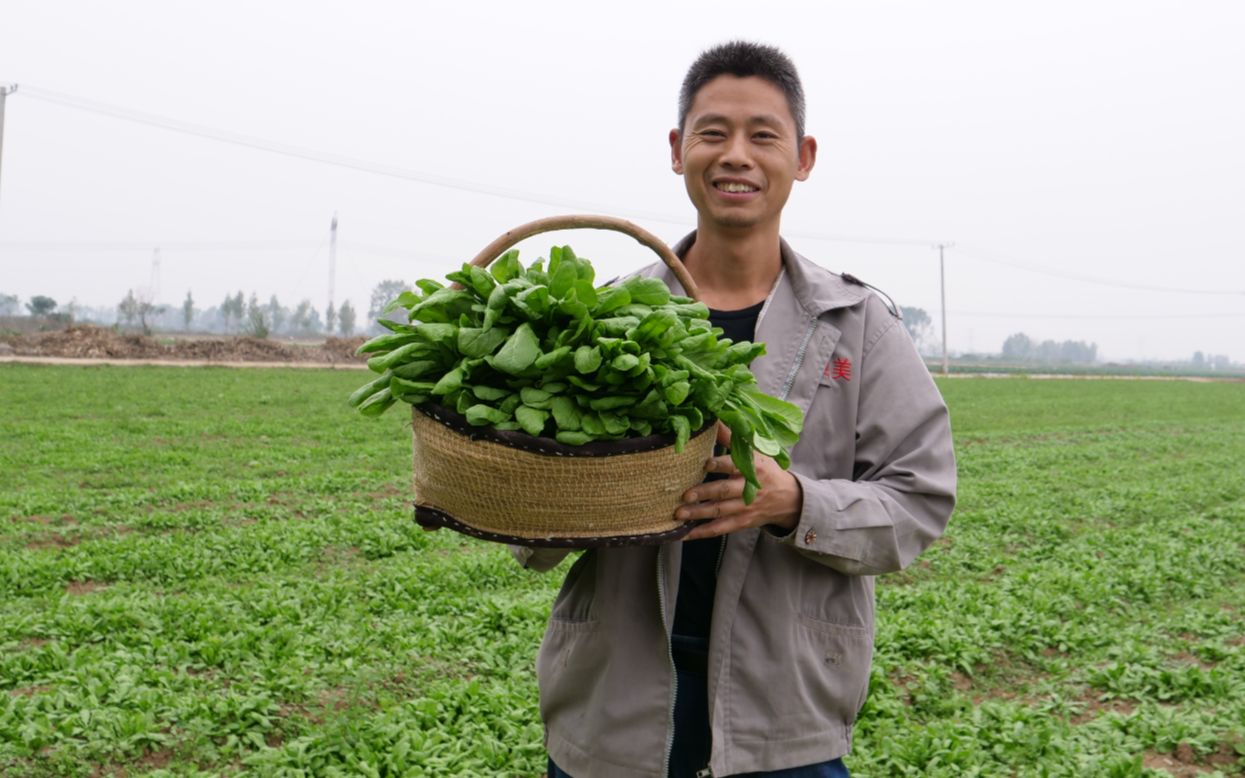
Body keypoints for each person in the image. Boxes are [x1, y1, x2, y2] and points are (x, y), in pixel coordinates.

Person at [513, 41, 957, 778]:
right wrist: (558, 494)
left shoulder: (856, 325)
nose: (735, 156)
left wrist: (793, 502)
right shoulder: (601, 320)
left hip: (783, 711)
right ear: (677, 148)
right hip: (614, 699)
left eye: (762, 135)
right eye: (712, 133)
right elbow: (532, 536)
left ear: (803, 156)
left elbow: (920, 499)